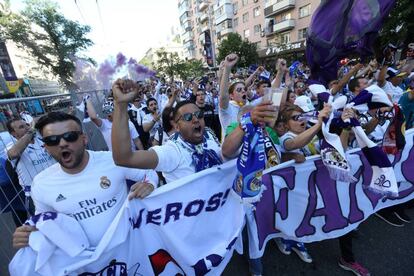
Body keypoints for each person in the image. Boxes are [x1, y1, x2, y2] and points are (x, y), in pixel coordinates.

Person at [12, 111, 158, 249]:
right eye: (52, 140)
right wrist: (29, 233)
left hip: (130, 248)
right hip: (86, 264)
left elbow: (149, 173)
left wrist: (149, 184)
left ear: (84, 139)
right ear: (46, 148)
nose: (62, 143)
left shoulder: (113, 160)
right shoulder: (41, 184)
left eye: (70, 136)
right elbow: (44, 221)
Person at [111, 79, 222, 184]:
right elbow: (124, 158)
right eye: (187, 117)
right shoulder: (172, 151)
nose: (195, 119)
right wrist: (120, 105)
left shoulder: (211, 138)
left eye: (198, 115)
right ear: (177, 127)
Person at [5, 118, 55, 195]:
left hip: (56, 185)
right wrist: (32, 129)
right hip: (36, 193)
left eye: (27, 125)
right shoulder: (11, 146)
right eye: (21, 127)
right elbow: (13, 154)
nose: (27, 127)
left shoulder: (41, 140)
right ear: (13, 133)